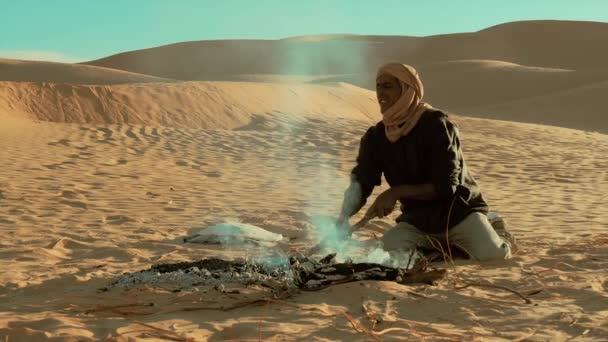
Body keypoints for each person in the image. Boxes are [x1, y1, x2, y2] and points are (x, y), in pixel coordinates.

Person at [336, 63, 516, 261]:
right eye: (378, 86)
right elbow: (362, 182)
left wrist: (395, 192)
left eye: (388, 86)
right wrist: (343, 218)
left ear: (407, 90)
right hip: (417, 221)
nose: (381, 93)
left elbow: (447, 187)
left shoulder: (436, 125)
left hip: (458, 214)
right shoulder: (376, 137)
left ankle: (495, 227)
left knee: (493, 255)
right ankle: (439, 247)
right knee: (386, 256)